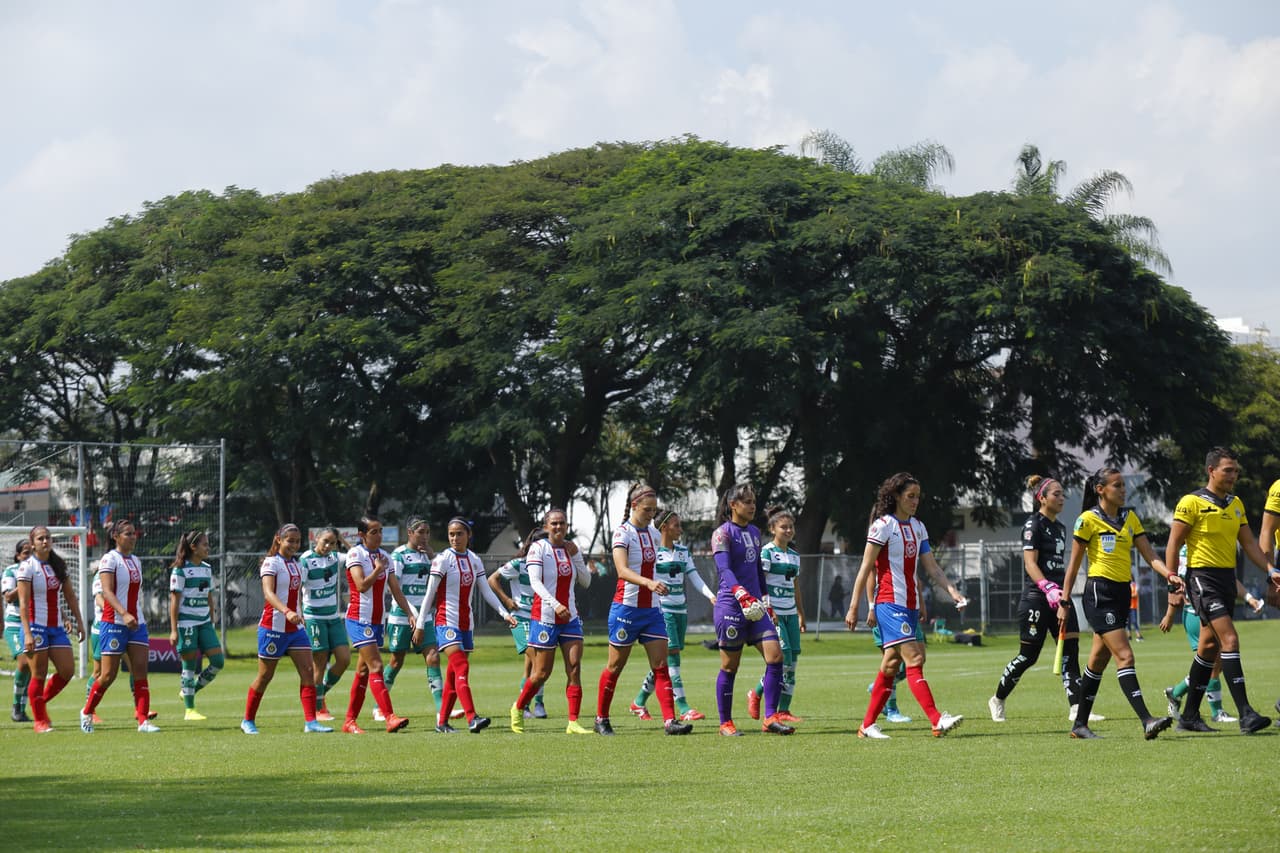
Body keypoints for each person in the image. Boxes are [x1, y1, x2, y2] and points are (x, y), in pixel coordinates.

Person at [1164, 448, 1277, 734]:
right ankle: (1246, 714)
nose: (1233, 475)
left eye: (1236, 471)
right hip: (1202, 580)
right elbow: (1173, 544)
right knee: (1230, 639)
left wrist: (1270, 569)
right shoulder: (1191, 502)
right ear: (1211, 470)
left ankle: (1189, 716)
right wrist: (1171, 581)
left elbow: (1249, 544)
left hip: (1227, 580)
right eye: (1228, 470)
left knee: (1209, 648)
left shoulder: (1235, 504)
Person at [1061, 467, 1179, 739]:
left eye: (1123, 485)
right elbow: (1073, 566)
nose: (1123, 490)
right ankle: (1147, 720)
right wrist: (1064, 601)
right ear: (1100, 490)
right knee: (1125, 655)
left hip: (1122, 593)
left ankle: (1079, 725)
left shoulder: (1130, 518)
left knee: (1097, 661)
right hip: (1099, 594)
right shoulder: (1087, 520)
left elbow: (1151, 556)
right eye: (1117, 485)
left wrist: (1170, 575)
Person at [848, 473, 967, 739]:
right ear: (896, 496)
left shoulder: (918, 527)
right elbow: (865, 568)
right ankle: (937, 720)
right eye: (910, 496)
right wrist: (855, 606)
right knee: (915, 659)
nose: (915, 501)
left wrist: (953, 592)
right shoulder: (882, 526)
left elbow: (932, 568)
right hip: (889, 604)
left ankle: (866, 725)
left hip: (910, 605)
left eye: (917, 497)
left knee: (891, 664)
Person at [989, 475, 1100, 724]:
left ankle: (1076, 708)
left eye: (1062, 494)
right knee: (1029, 656)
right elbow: (1030, 563)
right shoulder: (1033, 525)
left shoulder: (1060, 528)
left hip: (1061, 598)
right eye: (1056, 494)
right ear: (1042, 498)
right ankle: (997, 699)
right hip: (1036, 598)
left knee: (1070, 650)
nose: (1062, 499)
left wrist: (1062, 594)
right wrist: (1047, 587)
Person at [594, 483, 693, 736]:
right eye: (647, 510)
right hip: (626, 610)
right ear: (634, 505)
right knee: (615, 666)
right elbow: (622, 570)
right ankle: (601, 718)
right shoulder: (622, 533)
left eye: (654, 510)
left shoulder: (652, 533)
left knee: (661, 665)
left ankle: (670, 721)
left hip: (652, 610)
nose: (651, 514)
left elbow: (659, 563)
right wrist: (649, 583)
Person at [412, 517, 516, 733]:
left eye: (459, 534)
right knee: (461, 666)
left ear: (468, 535)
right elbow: (430, 594)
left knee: (453, 676)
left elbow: (485, 590)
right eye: (451, 534)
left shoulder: (474, 559)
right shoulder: (442, 560)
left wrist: (504, 613)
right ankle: (472, 718)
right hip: (446, 621)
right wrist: (420, 624)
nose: (454, 538)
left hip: (466, 623)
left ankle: (442, 723)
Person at [710, 483, 793, 737]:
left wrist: (766, 599)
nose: (752, 506)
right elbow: (724, 568)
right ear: (733, 505)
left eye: (753, 501)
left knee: (776, 657)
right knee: (730, 666)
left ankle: (770, 718)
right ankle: (725, 723)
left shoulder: (755, 532)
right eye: (747, 502)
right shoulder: (722, 533)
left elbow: (757, 568)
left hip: (756, 607)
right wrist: (739, 592)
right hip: (731, 606)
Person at [241, 523, 332, 734]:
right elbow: (268, 594)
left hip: (295, 630)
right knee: (265, 676)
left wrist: (300, 614)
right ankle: (248, 720)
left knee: (308, 672)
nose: (294, 545)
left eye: (298, 541)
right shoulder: (271, 563)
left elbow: (296, 594)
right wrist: (286, 611)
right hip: (272, 628)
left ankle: (311, 722)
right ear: (279, 539)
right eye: (290, 540)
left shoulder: (296, 564)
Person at [510, 508, 595, 734]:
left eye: (562, 523)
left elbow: (586, 581)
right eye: (554, 523)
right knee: (541, 673)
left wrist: (577, 556)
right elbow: (535, 583)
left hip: (570, 618)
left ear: (567, 526)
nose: (558, 527)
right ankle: (518, 707)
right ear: (546, 526)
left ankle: (573, 722)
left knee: (574, 667)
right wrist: (555, 604)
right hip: (545, 618)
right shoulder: (538, 548)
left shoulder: (570, 549)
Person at [628, 509, 715, 723]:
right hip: (662, 609)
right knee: (672, 657)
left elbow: (695, 577)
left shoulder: (683, 551)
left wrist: (711, 596)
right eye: (677, 525)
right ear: (664, 527)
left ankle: (639, 701)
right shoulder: (652, 552)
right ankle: (683, 707)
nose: (680, 529)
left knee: (664, 660)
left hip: (680, 610)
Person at [1162, 544, 1264, 724]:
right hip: (1196, 612)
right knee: (1214, 662)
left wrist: (1249, 598)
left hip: (1206, 610)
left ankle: (1177, 693)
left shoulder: (1207, 548)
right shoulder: (1190, 550)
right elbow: (1179, 583)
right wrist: (1170, 614)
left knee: (1213, 663)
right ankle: (1216, 712)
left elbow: (1228, 580)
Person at [81, 520, 159, 733]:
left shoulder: (136, 561)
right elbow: (106, 592)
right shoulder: (109, 559)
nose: (133, 537)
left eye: (134, 533)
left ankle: (143, 721)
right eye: (128, 534)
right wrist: (123, 613)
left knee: (140, 670)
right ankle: (87, 712)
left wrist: (135, 615)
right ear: (115, 536)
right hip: (113, 623)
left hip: (137, 623)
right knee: (108, 675)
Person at [342, 515, 412, 734]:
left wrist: (410, 614)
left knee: (363, 671)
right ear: (362, 535)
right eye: (374, 532)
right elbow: (361, 586)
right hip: (358, 619)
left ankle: (349, 721)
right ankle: (390, 717)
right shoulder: (355, 554)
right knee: (377, 666)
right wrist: (377, 569)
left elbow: (396, 589)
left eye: (380, 531)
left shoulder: (385, 557)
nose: (379, 535)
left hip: (376, 622)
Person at [16, 527, 86, 733]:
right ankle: (40, 721)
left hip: (56, 628)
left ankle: (39, 702)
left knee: (67, 670)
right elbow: (23, 603)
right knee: (39, 673)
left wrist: (80, 622)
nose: (45, 541)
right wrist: (27, 633)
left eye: (47, 537)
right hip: (35, 627)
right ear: (32, 543)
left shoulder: (58, 565)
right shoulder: (27, 567)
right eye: (40, 538)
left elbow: (70, 596)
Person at [745, 505, 805, 724]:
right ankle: (757, 692)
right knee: (783, 658)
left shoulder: (795, 556)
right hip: (774, 613)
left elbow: (796, 586)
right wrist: (768, 609)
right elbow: (760, 583)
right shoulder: (767, 552)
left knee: (793, 662)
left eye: (791, 527)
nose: (788, 531)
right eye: (783, 527)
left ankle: (784, 710)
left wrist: (800, 612)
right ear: (773, 529)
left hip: (790, 614)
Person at [383, 516, 442, 721]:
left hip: (424, 617)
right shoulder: (399, 556)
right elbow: (395, 589)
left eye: (427, 532)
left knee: (433, 657)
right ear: (410, 533)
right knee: (396, 661)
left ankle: (441, 709)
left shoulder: (430, 556)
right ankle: (379, 706)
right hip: (402, 617)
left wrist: (433, 557)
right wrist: (412, 614)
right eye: (420, 532)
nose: (425, 536)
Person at [490, 529, 550, 720]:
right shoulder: (519, 564)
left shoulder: (550, 566)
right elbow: (492, 579)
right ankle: (529, 704)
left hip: (541, 618)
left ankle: (531, 705)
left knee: (531, 667)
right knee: (538, 661)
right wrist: (507, 600)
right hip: (521, 618)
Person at [168, 530, 224, 721]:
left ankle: (189, 690)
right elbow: (174, 602)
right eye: (204, 545)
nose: (208, 548)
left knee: (218, 662)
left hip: (205, 622)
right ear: (193, 547)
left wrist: (212, 618)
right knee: (189, 667)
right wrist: (174, 630)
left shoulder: (207, 568)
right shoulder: (180, 570)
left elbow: (209, 595)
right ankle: (190, 710)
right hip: (187, 623)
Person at [300, 527, 348, 722]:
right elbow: (296, 588)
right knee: (319, 662)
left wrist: (343, 540)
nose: (328, 546)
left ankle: (320, 693)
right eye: (325, 541)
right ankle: (319, 708)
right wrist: (298, 613)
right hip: (314, 617)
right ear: (316, 539)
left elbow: (356, 555)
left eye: (333, 543)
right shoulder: (305, 559)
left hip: (333, 617)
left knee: (344, 659)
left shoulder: (335, 558)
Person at [3, 539, 34, 722]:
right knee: (23, 661)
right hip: (15, 624)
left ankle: (21, 708)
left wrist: (64, 616)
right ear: (18, 556)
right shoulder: (11, 571)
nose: (29, 557)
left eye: (31, 553)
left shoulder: (38, 571)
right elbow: (8, 597)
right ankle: (16, 705)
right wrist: (23, 582)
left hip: (34, 624)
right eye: (25, 553)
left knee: (31, 665)